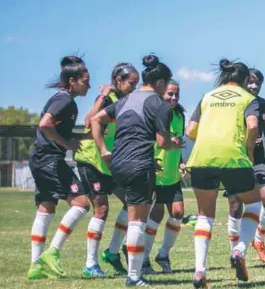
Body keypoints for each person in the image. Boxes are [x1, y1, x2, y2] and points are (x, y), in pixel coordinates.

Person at [91, 54, 182, 286]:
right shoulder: (159, 104)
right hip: (139, 163)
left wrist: (103, 150)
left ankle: (118, 257)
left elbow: (95, 120)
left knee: (132, 215)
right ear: (161, 82)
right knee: (138, 222)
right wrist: (175, 144)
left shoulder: (126, 99)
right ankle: (134, 276)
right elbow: (162, 142)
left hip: (119, 164)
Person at [185, 59, 261, 288]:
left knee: (204, 215)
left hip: (201, 157)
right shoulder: (248, 99)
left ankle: (199, 271)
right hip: (233, 157)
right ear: (246, 80)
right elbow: (253, 126)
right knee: (255, 204)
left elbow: (190, 131)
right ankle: (239, 250)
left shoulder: (207, 97)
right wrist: (249, 150)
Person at [27, 56, 91, 280]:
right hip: (50, 160)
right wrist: (66, 144)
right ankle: (52, 252)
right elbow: (44, 124)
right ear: (72, 81)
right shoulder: (65, 100)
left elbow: (55, 128)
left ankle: (35, 266)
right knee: (82, 204)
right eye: (86, 80)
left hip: (40, 158)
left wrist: (78, 137)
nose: (89, 85)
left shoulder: (63, 99)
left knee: (46, 208)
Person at [75, 62, 139, 277]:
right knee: (101, 210)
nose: (134, 87)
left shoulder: (126, 102)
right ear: (118, 81)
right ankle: (90, 264)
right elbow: (87, 121)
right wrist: (102, 95)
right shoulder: (107, 99)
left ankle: (112, 252)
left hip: (111, 164)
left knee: (132, 201)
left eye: (136, 84)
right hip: (93, 160)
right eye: (131, 83)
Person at [225, 68, 265, 264]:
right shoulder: (232, 102)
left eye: (258, 83)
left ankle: (259, 241)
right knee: (235, 206)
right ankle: (235, 254)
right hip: (235, 159)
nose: (254, 86)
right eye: (251, 82)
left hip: (257, 160)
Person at [141, 79, 186, 274]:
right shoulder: (154, 113)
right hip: (156, 173)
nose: (174, 97)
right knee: (156, 214)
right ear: (161, 94)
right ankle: (143, 259)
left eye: (176, 94)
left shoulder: (179, 115)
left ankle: (163, 254)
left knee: (177, 213)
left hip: (172, 174)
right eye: (170, 94)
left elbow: (178, 141)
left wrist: (180, 161)